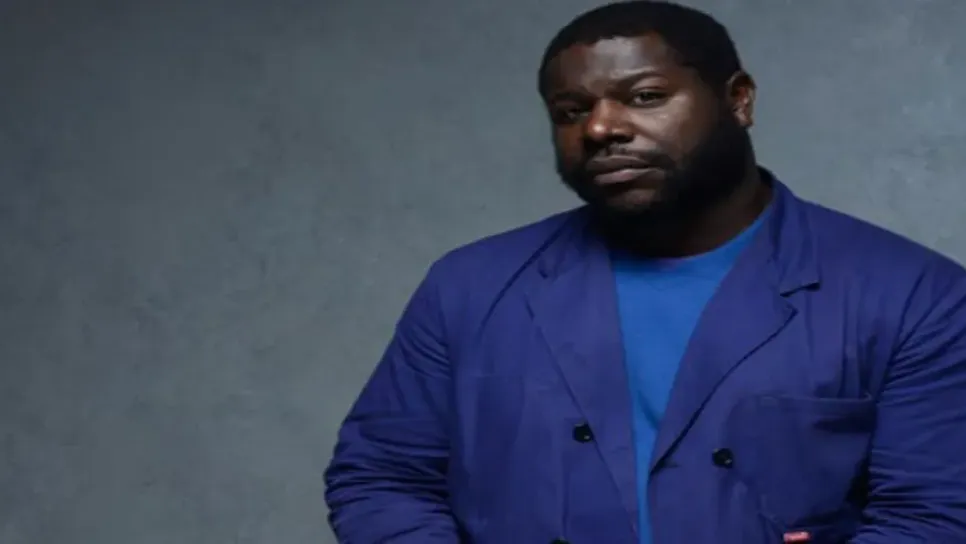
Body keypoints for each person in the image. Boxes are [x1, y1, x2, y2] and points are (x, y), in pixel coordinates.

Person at [324, 1, 966, 542]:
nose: (601, 127)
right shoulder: (468, 287)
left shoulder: (914, 295)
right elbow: (382, 478)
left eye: (645, 97)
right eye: (570, 111)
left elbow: (933, 517)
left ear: (738, 100)